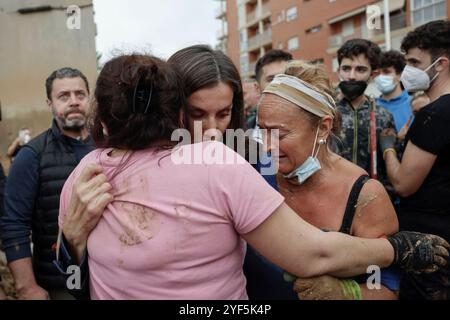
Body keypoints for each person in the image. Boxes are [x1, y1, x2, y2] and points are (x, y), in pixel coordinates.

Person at [56, 53, 449, 300]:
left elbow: (389, 283)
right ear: (173, 111)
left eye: (224, 114)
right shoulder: (224, 167)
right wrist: (70, 246)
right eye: (195, 114)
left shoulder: (248, 164)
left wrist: (349, 291)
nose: (211, 129)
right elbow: (79, 283)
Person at [257, 60, 400, 299]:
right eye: (263, 131)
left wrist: (348, 292)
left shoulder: (364, 196)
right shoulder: (257, 176)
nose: (268, 147)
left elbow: (386, 286)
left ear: (323, 128)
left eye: (280, 134)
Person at [0, 67, 95, 300]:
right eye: (64, 96)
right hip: (60, 283)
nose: (73, 102)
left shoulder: (109, 148)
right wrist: (26, 287)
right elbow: (14, 225)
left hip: (111, 279)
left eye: (80, 95)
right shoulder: (31, 155)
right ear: (49, 103)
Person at [380, 20, 450, 300]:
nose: (407, 70)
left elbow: (404, 183)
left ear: (441, 63)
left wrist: (388, 148)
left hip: (429, 240)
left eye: (414, 62)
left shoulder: (434, 113)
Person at [333, 39, 397, 202]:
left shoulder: (383, 116)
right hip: (332, 199)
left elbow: (390, 166)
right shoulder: (325, 111)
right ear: (338, 70)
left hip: (372, 201)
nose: (352, 76)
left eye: (360, 69)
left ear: (373, 74)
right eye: (346, 68)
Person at [375, 50, 412, 133]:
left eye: (386, 72)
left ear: (400, 75)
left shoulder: (414, 104)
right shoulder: (371, 106)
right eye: (378, 73)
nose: (380, 76)